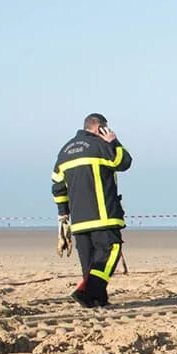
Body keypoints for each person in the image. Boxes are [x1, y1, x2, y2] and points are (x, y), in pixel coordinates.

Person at [52, 112, 132, 308]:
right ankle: (86, 293)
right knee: (111, 251)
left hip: (79, 220)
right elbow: (124, 162)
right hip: (103, 216)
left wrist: (63, 214)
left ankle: (98, 299)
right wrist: (114, 141)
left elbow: (57, 186)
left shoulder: (64, 151)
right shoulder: (101, 145)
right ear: (99, 128)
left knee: (89, 262)